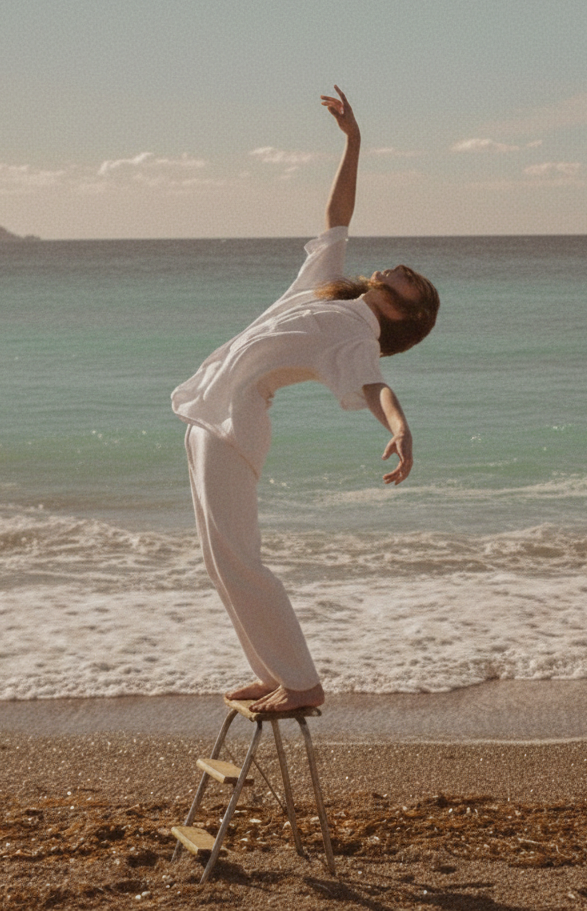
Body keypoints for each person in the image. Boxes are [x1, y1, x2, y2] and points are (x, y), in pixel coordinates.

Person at [171, 88, 439, 713]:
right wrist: (353, 143)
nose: (400, 267)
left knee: (240, 560)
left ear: (406, 310)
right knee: (221, 562)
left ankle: (302, 682)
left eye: (411, 280)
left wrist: (400, 429)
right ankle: (273, 673)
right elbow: (337, 214)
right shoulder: (329, 294)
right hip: (207, 414)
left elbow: (376, 387)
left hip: (235, 424)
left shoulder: (356, 334)